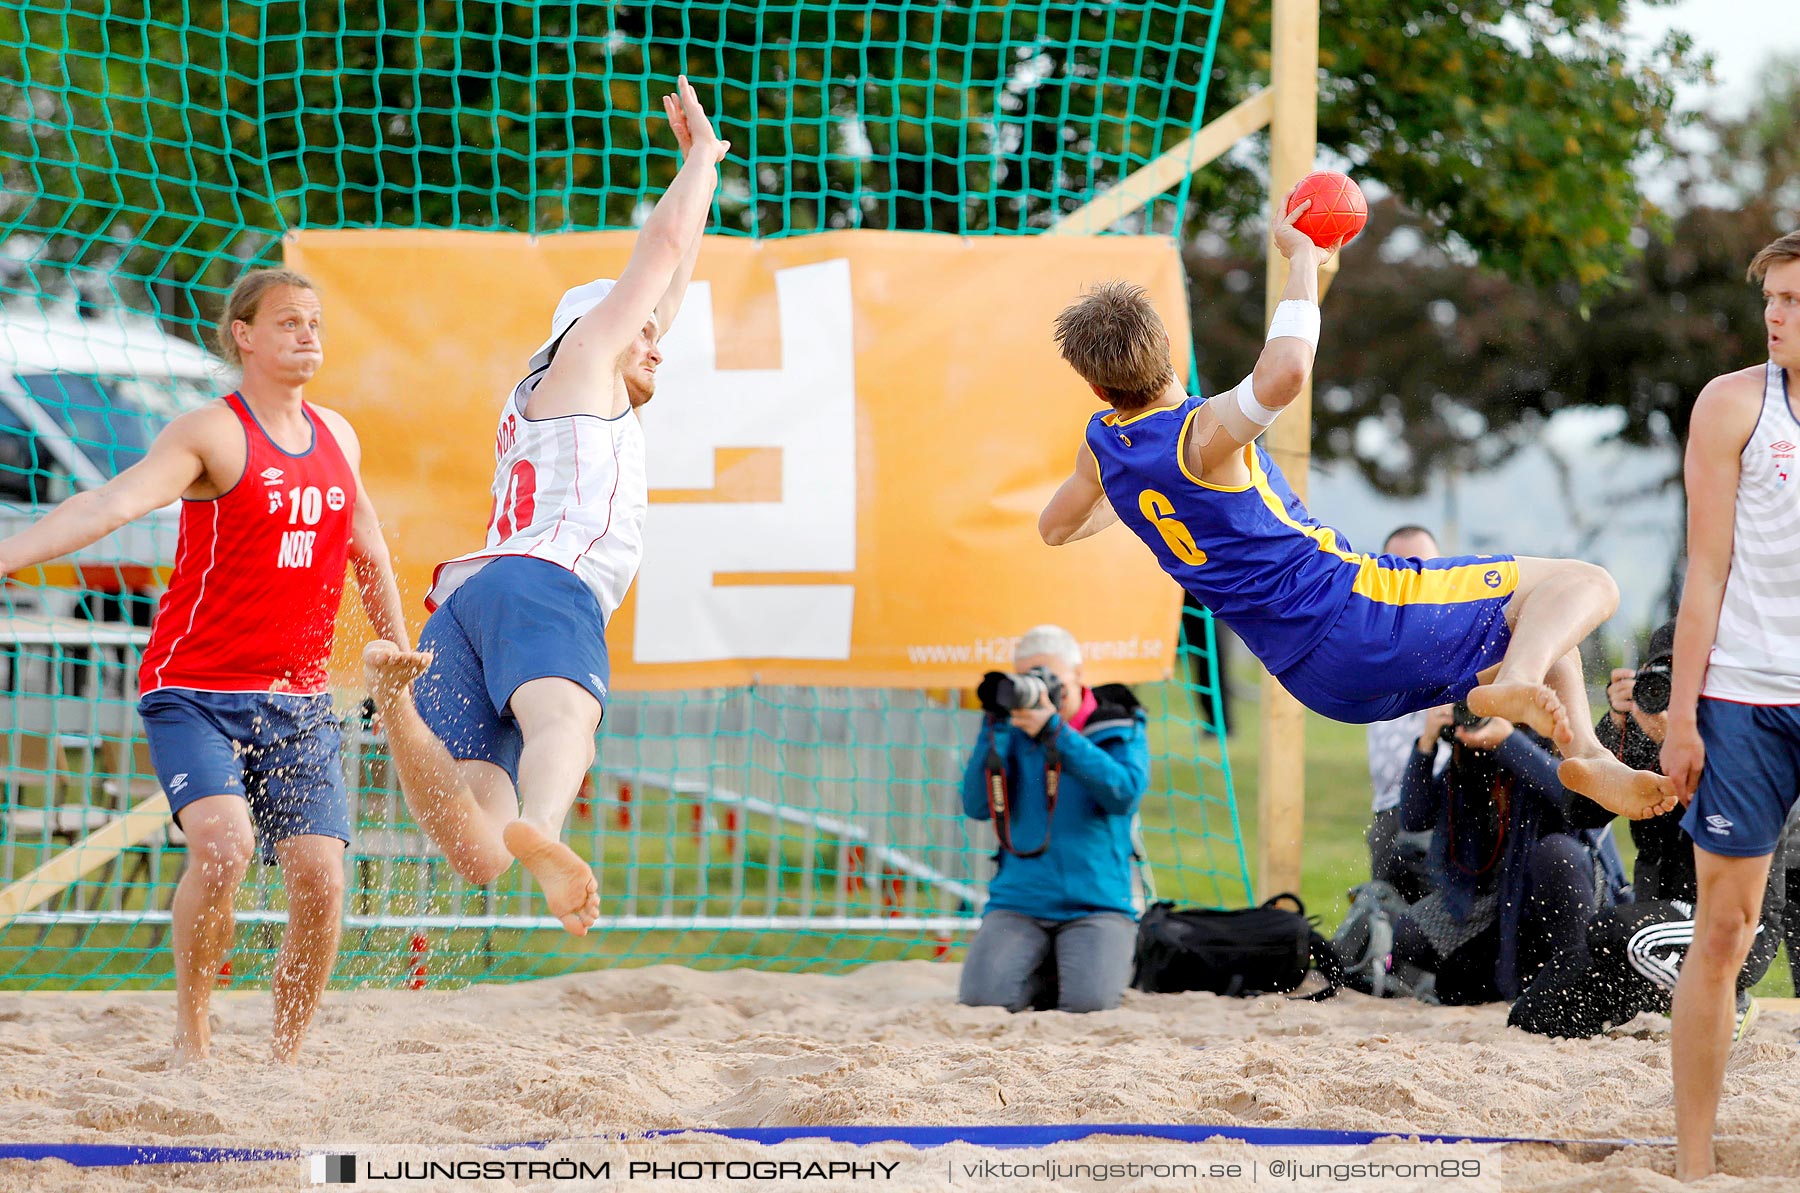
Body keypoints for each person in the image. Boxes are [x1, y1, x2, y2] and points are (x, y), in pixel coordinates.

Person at [1036, 198, 1675, 823]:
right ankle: (1516, 687)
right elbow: (1285, 371)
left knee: (1538, 607)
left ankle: (1585, 754)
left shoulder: (1104, 449)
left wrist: (1314, 274)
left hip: (1315, 679)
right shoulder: (1202, 434)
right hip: (1356, 610)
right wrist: (1295, 257)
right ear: (1167, 347)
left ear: (1096, 386)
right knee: (1587, 584)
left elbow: (1055, 527)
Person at [0, 269, 408, 1064]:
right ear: (244, 335)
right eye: (288, 321)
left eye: (315, 321)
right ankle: (193, 1036)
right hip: (195, 690)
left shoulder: (339, 435)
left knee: (322, 881)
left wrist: (395, 645)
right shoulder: (210, 432)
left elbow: (369, 547)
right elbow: (108, 504)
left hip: (298, 698)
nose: (308, 334)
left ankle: (283, 1059)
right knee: (223, 847)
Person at [360, 78, 727, 935]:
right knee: (567, 720)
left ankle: (392, 700)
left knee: (479, 850)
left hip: (466, 603)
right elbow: (663, 255)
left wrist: (689, 186)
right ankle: (552, 827)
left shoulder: (545, 396)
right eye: (645, 332)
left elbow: (671, 284)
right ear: (595, 326)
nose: (656, 346)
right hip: (543, 580)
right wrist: (702, 163)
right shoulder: (588, 356)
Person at [1663, 230, 1800, 1182]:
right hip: (1743, 697)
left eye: (1794, 300)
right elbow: (1704, 569)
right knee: (1724, 929)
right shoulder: (1733, 403)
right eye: (1771, 299)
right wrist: (1678, 715)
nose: (1776, 314)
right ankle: (1694, 1156)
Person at [957, 625, 1149, 1013]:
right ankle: (1049, 964)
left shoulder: (1118, 724)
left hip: (1097, 904)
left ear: (1079, 676)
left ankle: (1072, 964)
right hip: (1020, 901)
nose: (1039, 691)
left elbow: (1124, 794)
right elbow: (977, 806)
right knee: (981, 1002)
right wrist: (992, 729)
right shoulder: (1010, 727)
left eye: (1050, 678)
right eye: (1029, 680)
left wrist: (1056, 733)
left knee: (1089, 1006)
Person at [1389, 706, 1624, 1005]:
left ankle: (1579, 981)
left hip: (1561, 892)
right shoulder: (1474, 752)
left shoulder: (1555, 730)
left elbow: (1571, 797)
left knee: (1556, 854)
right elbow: (1414, 817)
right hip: (1497, 900)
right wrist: (1427, 743)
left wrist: (1508, 740)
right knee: (1412, 935)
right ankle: (1508, 979)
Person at [1364, 525, 1444, 902]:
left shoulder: (1464, 631)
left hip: (1466, 805)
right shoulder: (1372, 639)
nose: (1414, 577)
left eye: (1424, 568)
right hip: (1398, 810)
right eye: (1401, 567)